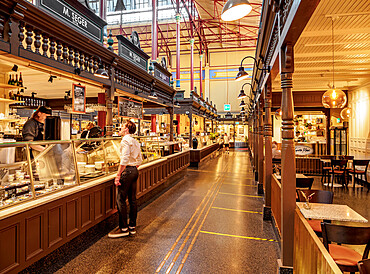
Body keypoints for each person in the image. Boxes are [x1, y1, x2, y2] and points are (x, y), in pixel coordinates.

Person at [108, 121, 143, 238]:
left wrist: (118, 174)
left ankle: (123, 228)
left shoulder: (125, 141)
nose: (120, 128)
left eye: (122, 126)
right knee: (133, 200)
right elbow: (140, 160)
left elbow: (124, 159)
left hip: (127, 171)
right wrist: (133, 168)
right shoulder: (135, 141)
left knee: (120, 199)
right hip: (134, 171)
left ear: (127, 129)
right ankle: (132, 227)